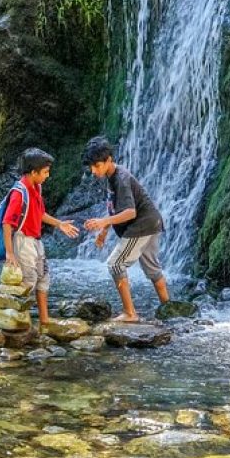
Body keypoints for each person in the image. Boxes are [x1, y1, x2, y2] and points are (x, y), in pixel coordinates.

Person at [82, 136, 170, 322]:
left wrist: (103, 222)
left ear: (108, 160)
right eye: (91, 167)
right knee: (153, 269)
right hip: (153, 221)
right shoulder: (111, 177)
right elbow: (113, 206)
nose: (93, 170)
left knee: (115, 264)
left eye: (97, 166)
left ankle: (130, 313)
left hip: (142, 225)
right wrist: (104, 231)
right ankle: (168, 309)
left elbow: (130, 212)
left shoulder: (121, 178)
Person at [2, 148, 80, 330]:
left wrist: (59, 224)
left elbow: (40, 213)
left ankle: (44, 320)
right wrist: (10, 252)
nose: (48, 175)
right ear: (33, 172)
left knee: (43, 277)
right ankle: (20, 320)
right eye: (45, 172)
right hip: (22, 241)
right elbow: (7, 223)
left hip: (36, 240)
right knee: (28, 280)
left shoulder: (36, 187)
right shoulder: (19, 193)